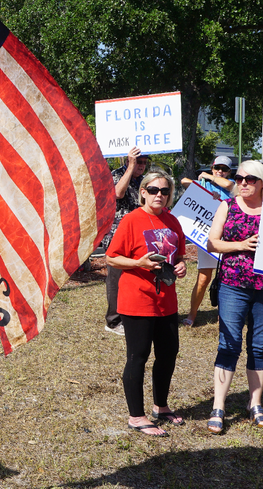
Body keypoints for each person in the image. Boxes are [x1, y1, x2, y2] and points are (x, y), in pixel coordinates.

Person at [105, 170, 187, 437]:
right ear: (142, 192)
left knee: (167, 354)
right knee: (137, 357)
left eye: (164, 191)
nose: (159, 195)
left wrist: (182, 266)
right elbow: (112, 258)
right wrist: (138, 263)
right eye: (153, 190)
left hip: (167, 300)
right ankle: (136, 416)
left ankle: (161, 406)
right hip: (137, 299)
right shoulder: (131, 220)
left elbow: (180, 256)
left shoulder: (173, 221)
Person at [204, 160, 263, 434]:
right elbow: (212, 242)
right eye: (239, 178)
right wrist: (240, 245)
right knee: (229, 344)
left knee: (259, 346)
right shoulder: (228, 206)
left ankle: (255, 404)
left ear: (262, 182)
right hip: (233, 285)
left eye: (249, 179)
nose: (243, 183)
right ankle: (219, 406)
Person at [180, 155, 235, 326]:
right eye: (216, 168)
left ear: (229, 172)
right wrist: (201, 180)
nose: (220, 171)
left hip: (227, 238)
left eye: (224, 169)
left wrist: (210, 176)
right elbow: (183, 181)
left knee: (227, 280)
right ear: (212, 167)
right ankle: (192, 315)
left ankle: (223, 316)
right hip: (207, 237)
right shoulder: (204, 185)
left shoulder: (232, 185)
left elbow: (228, 185)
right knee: (203, 278)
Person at [103, 147, 149, 336]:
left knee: (134, 278)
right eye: (139, 162)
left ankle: (131, 315)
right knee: (116, 279)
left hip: (138, 235)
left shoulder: (144, 181)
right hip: (117, 235)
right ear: (128, 160)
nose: (141, 166)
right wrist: (129, 167)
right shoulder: (117, 175)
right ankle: (113, 321)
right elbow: (117, 194)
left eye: (144, 162)